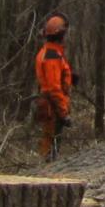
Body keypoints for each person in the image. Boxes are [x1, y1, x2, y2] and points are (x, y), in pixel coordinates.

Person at [33, 13, 73, 161]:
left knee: (51, 145)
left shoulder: (52, 52)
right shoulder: (51, 56)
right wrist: (63, 113)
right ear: (60, 35)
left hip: (52, 104)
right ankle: (47, 170)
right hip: (53, 107)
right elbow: (53, 88)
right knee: (50, 149)